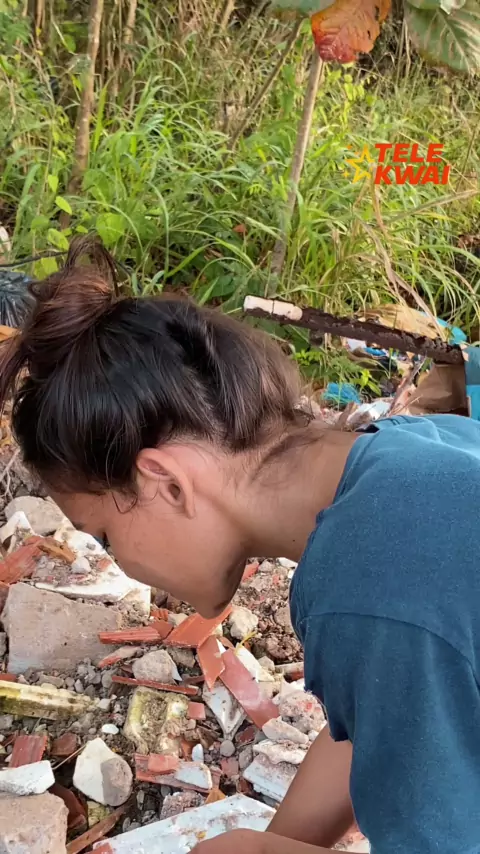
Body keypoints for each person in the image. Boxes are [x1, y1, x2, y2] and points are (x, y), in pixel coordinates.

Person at [2, 237, 480, 854]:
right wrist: (276, 842)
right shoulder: (417, 448)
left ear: (166, 483)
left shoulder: (369, 587)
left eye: (106, 537)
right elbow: (382, 724)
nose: (123, 563)